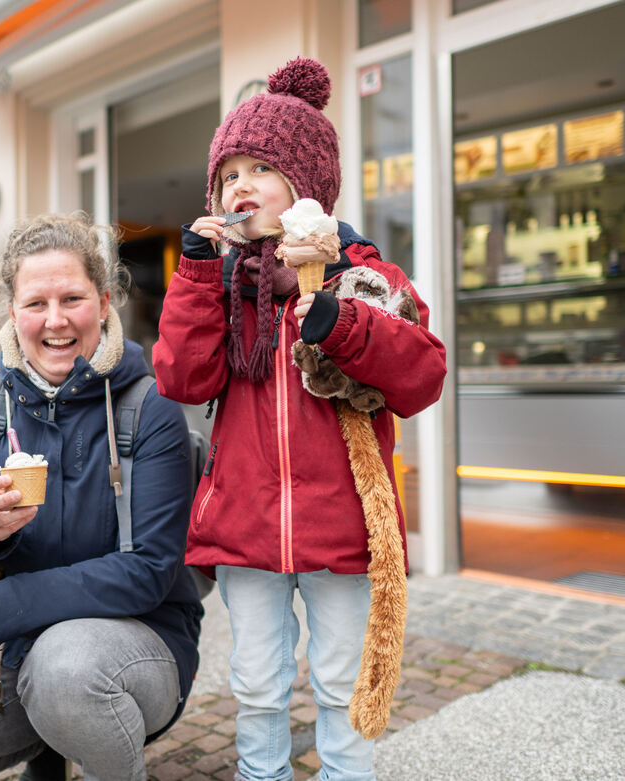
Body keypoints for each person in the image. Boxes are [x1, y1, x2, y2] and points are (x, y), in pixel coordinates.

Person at [152, 57, 447, 781]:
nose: (240, 185)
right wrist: (195, 274)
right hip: (246, 523)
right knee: (256, 680)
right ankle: (262, 773)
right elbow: (182, 378)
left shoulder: (365, 276)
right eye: (229, 174)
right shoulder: (222, 285)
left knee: (343, 680)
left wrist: (340, 321)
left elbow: (423, 375)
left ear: (307, 183)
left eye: (261, 167)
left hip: (341, 525)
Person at [0, 213, 204, 781]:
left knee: (64, 674)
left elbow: (149, 572)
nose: (55, 320)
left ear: (104, 302)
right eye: (35, 303)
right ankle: (45, 749)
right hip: (10, 646)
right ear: (13, 312)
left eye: (72, 298)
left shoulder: (149, 406)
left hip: (133, 643)